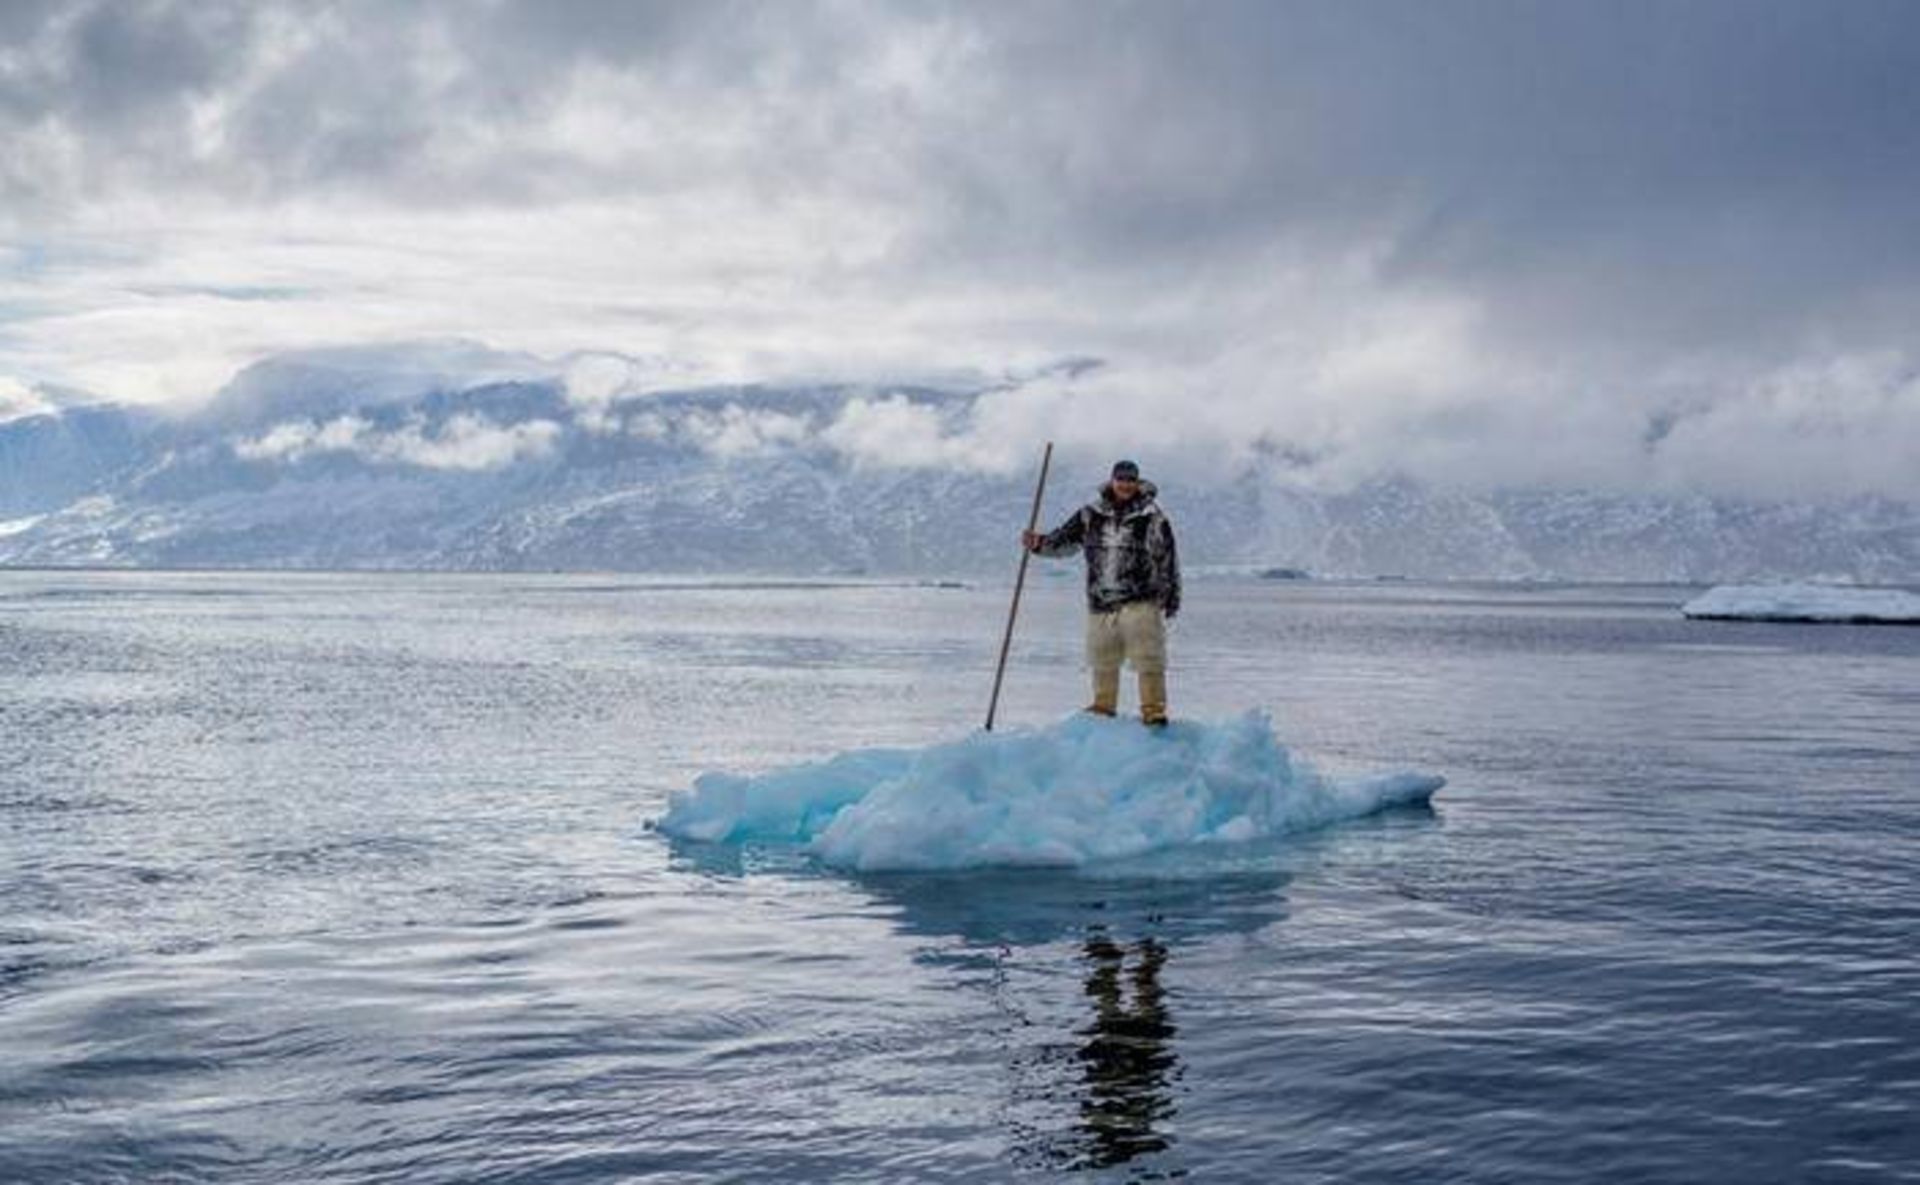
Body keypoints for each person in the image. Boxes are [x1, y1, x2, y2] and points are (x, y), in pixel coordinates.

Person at [1023, 459, 1181, 726]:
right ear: (1112, 481)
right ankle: (1103, 706)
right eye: (1121, 479)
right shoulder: (1090, 515)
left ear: (1137, 483)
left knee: (1148, 657)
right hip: (1100, 601)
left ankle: (1153, 709)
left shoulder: (1153, 518)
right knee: (1102, 657)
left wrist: (1171, 594)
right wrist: (1039, 544)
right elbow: (1063, 541)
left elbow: (1168, 558)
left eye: (1131, 480)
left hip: (1141, 599)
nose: (1125, 485)